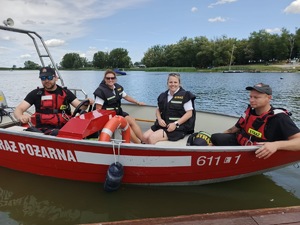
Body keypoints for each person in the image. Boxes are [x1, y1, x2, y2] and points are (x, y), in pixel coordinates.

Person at [211, 83, 300, 159]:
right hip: (242, 144)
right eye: (250, 97)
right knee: (215, 137)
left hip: (257, 152)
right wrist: (212, 143)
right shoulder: (250, 112)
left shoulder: (279, 118)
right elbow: (233, 129)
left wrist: (276, 145)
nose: (251, 100)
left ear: (268, 98)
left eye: (256, 97)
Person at [14, 67, 93, 135]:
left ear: (56, 78)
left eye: (49, 77)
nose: (47, 81)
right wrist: (20, 116)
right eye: (43, 78)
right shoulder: (35, 94)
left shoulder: (65, 93)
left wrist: (87, 102)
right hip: (41, 130)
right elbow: (18, 109)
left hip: (63, 128)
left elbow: (81, 107)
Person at [93, 69, 146, 144]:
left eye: (112, 78)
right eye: (108, 78)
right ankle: (138, 144)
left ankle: (144, 141)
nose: (110, 80)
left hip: (118, 112)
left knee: (131, 120)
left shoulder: (118, 88)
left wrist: (137, 102)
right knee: (126, 126)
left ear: (115, 79)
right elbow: (98, 109)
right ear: (105, 79)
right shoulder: (101, 91)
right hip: (109, 116)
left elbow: (126, 97)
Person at [143, 73, 196, 144]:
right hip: (162, 125)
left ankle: (154, 154)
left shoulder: (185, 95)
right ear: (167, 83)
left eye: (175, 82)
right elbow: (158, 110)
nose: (173, 84)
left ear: (179, 83)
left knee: (152, 138)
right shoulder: (163, 96)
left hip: (178, 128)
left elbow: (189, 113)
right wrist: (159, 119)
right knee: (144, 137)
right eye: (170, 82)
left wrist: (175, 124)